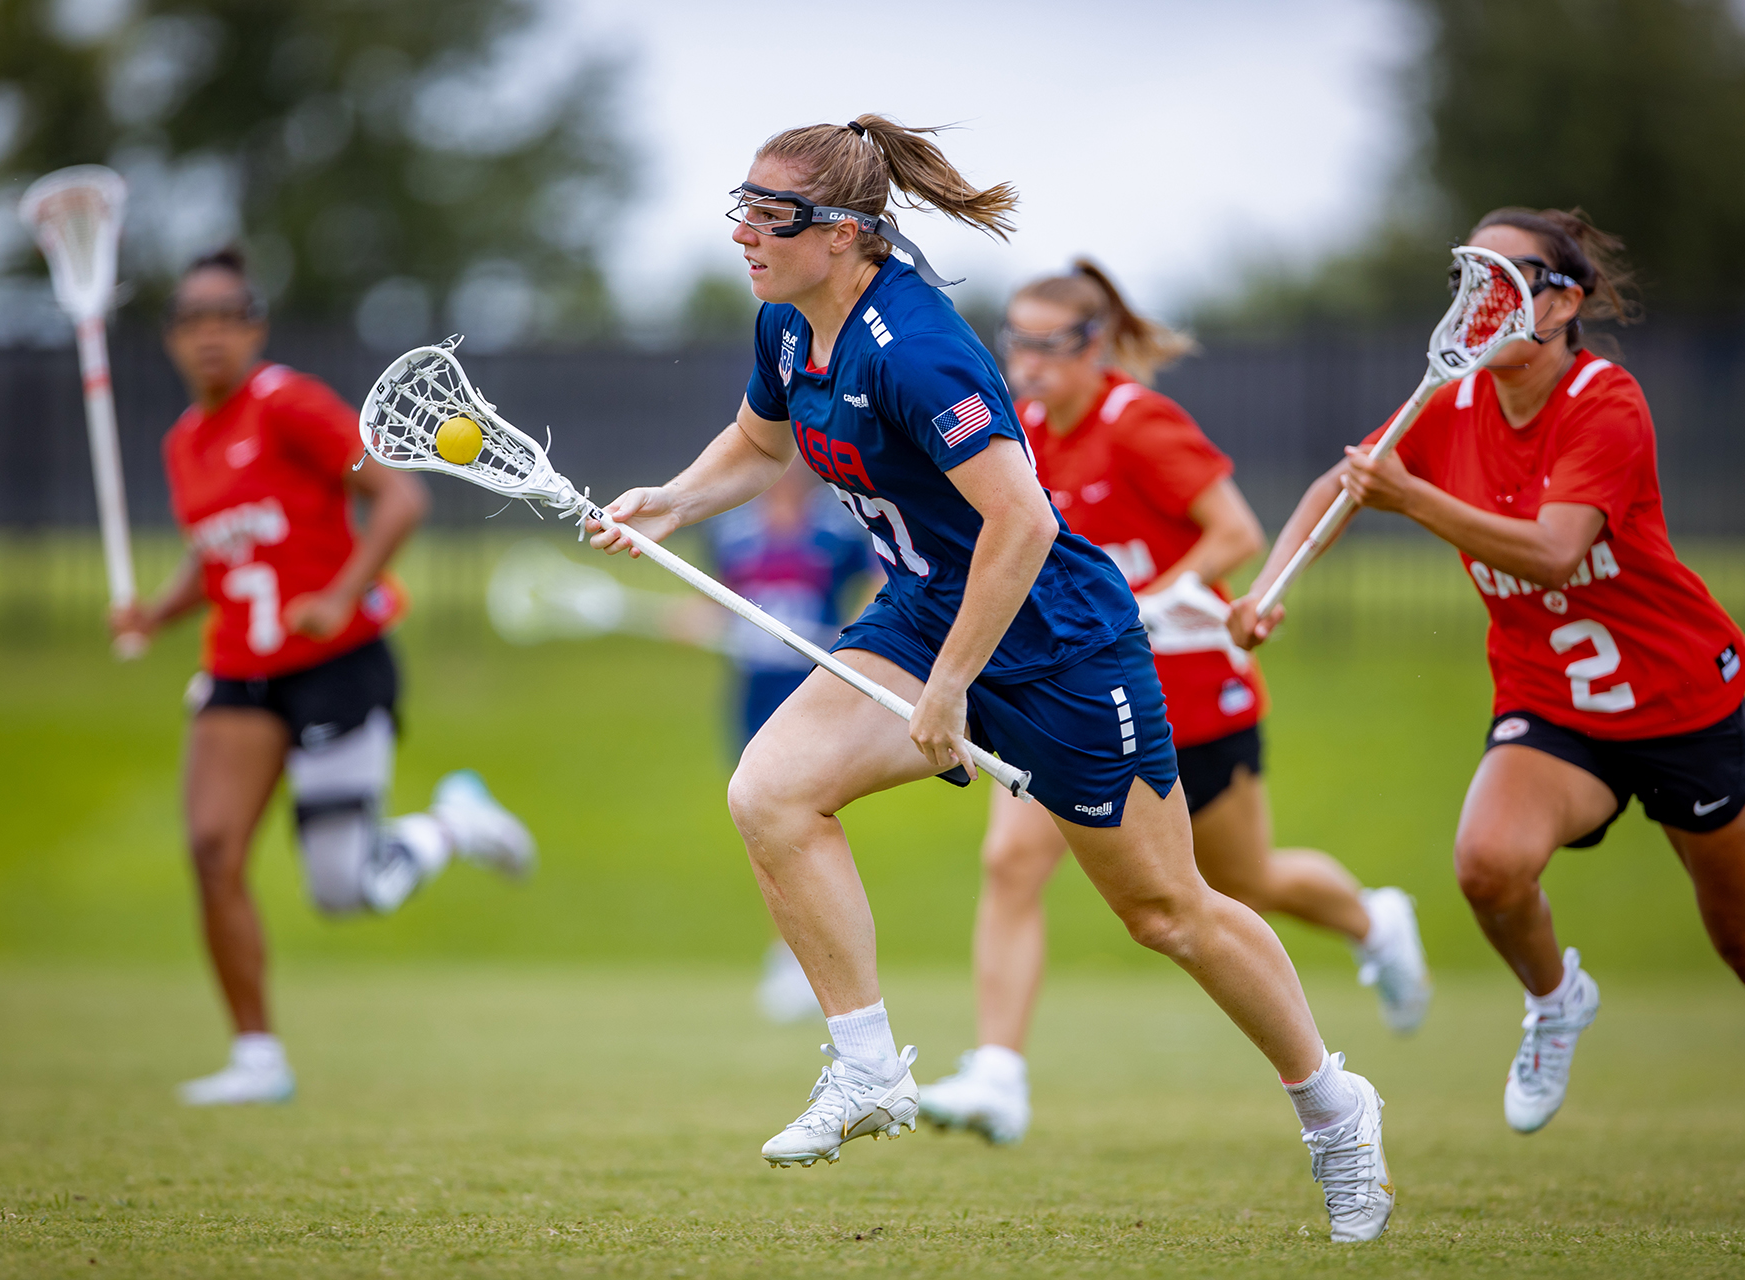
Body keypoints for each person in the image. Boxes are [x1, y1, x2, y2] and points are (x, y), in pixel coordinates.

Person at [590, 115, 1393, 1243]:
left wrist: (951, 685)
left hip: (1059, 643)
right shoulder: (786, 321)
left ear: (845, 233)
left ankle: (1335, 1107)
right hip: (928, 611)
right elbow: (762, 444)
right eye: (742, 209)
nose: (743, 235)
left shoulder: (916, 350)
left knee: (1168, 911)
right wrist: (673, 501)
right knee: (770, 791)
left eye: (770, 217)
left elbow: (1023, 522)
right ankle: (868, 1067)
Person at [1232, 208, 1745, 1132]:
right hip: (1554, 706)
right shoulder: (1453, 402)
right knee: (1488, 867)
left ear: (1565, 302)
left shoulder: (1605, 401)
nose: (1484, 299)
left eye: (1511, 280)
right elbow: (1341, 485)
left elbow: (1553, 552)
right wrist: (1269, 587)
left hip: (1684, 705)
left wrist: (1413, 499)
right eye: (1471, 278)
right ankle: (1555, 1000)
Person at [918, 261, 1431, 1146]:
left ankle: (1373, 921)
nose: (1027, 363)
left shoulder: (1139, 423)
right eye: (1016, 342)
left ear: (1094, 345)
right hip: (1078, 696)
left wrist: (1145, 599)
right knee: (1012, 861)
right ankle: (998, 1075)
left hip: (1191, 690)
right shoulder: (1019, 433)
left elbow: (1236, 531)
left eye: (1047, 344)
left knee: (1240, 884)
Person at [111, 249, 537, 1106]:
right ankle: (256, 1057)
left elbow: (401, 498)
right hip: (239, 672)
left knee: (344, 890)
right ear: (171, 337)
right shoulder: (184, 442)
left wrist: (340, 596)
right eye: (192, 320)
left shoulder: (288, 405)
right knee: (212, 850)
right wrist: (155, 614)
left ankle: (452, 825)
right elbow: (217, 554)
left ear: (255, 327)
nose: (209, 336)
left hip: (337, 666)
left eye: (226, 317)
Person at [692, 458, 880, 1022]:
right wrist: (700, 621)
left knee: (802, 817)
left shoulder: (838, 529)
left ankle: (817, 961)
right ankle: (789, 957)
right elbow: (718, 601)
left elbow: (881, 581)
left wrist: (856, 635)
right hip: (754, 692)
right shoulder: (732, 532)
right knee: (763, 822)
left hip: (815, 690)